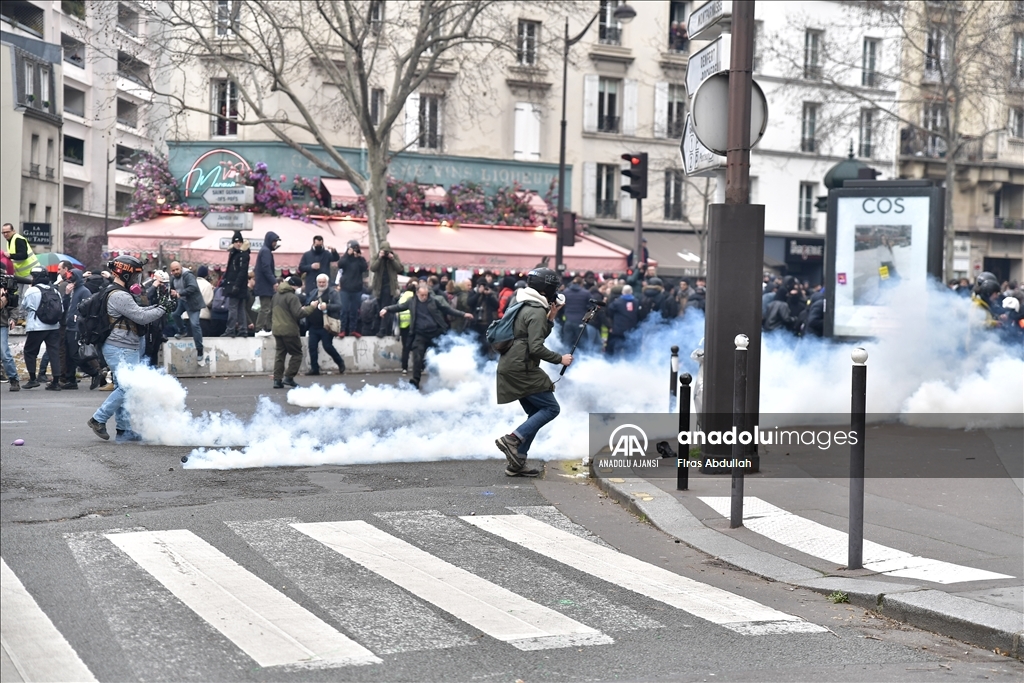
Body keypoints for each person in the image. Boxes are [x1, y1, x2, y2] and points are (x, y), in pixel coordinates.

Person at [493, 267, 573, 477]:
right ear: (547, 289)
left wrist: (550, 318)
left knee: (535, 413)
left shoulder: (523, 303)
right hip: (521, 366)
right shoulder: (536, 310)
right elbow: (536, 347)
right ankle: (513, 439)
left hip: (512, 364)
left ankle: (517, 462)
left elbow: (530, 335)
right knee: (551, 408)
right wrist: (560, 359)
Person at [87, 255, 173, 442]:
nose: (137, 281)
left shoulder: (118, 292)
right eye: (134, 276)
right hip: (120, 347)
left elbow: (139, 313)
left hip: (123, 346)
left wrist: (160, 306)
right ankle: (98, 419)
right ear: (125, 275)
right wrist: (163, 309)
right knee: (129, 386)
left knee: (122, 387)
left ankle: (123, 429)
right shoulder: (119, 295)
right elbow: (141, 317)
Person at [380, 283, 473, 390]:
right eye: (422, 295)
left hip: (435, 333)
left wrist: (463, 314)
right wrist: (386, 309)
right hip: (420, 334)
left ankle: (450, 380)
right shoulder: (412, 302)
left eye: (426, 295)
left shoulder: (433, 301)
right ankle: (415, 380)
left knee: (442, 357)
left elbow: (447, 309)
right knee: (417, 357)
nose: (424, 297)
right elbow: (399, 307)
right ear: (417, 293)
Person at [271, 275, 317, 389]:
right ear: (295, 286)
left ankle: (277, 380)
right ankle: (289, 377)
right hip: (289, 330)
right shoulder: (292, 297)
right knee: (297, 354)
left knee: (280, 354)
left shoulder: (276, 295)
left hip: (277, 328)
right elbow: (299, 314)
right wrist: (311, 307)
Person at [21, 267, 63, 390]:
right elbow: (61, 309)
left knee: (30, 351)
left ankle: (33, 379)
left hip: (36, 326)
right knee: (54, 352)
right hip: (54, 326)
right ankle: (56, 382)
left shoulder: (32, 290)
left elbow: (24, 306)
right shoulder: (55, 291)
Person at [304, 273, 345, 375]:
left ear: (327, 282)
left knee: (327, 346)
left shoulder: (333, 293)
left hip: (326, 325)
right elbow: (307, 304)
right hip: (313, 325)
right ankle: (314, 369)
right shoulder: (313, 292)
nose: (321, 284)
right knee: (312, 347)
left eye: (323, 282)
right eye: (319, 282)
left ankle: (340, 362)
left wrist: (327, 306)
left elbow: (339, 306)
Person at [169, 261, 206, 363]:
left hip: (193, 303)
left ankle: (199, 349)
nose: (176, 272)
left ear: (181, 268)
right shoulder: (173, 278)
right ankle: (182, 330)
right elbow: (172, 289)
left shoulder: (188, 275)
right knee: (175, 315)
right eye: (173, 270)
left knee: (195, 324)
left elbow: (193, 287)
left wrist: (179, 293)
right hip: (183, 301)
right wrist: (171, 292)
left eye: (177, 269)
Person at [370, 240, 404, 337]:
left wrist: (392, 259)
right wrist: (380, 258)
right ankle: (379, 328)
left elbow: (399, 268)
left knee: (385, 308)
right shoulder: (377, 256)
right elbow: (373, 268)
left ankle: (383, 330)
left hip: (389, 286)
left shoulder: (394, 256)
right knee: (378, 308)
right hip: (378, 286)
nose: (385, 253)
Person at [222, 232, 251, 337]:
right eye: (236, 242)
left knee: (233, 308)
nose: (238, 244)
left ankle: (231, 330)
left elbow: (242, 271)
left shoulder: (242, 254)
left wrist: (236, 285)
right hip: (237, 285)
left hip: (236, 285)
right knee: (240, 308)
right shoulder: (237, 253)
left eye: (240, 242)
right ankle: (243, 329)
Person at [337, 240, 368, 338]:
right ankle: (342, 330)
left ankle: (353, 330)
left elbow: (364, 268)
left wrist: (358, 257)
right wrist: (347, 254)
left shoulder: (360, 259)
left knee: (354, 310)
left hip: (357, 289)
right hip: (345, 288)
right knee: (344, 310)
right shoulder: (345, 259)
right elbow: (340, 264)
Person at [254, 231, 281, 336]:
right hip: (265, 285)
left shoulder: (264, 250)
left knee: (267, 307)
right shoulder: (266, 252)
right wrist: (274, 281)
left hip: (263, 284)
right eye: (274, 241)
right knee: (265, 308)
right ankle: (259, 328)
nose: (275, 243)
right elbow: (266, 268)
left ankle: (266, 328)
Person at [0, 261, 21, 391]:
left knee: (4, 353)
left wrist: (13, 319)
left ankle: (14, 379)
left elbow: (13, 307)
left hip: (1, 324)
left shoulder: (8, 288)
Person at [606, 284, 640, 355]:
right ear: (631, 292)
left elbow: (609, 312)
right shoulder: (636, 302)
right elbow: (639, 314)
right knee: (630, 351)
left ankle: (617, 364)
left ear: (622, 292)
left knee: (617, 349)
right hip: (631, 330)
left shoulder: (617, 302)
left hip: (619, 330)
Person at [396, 279, 417, 374]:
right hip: (413, 325)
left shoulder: (402, 297)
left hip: (403, 325)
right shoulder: (414, 298)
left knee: (405, 348)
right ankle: (418, 367)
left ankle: (404, 367)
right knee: (416, 347)